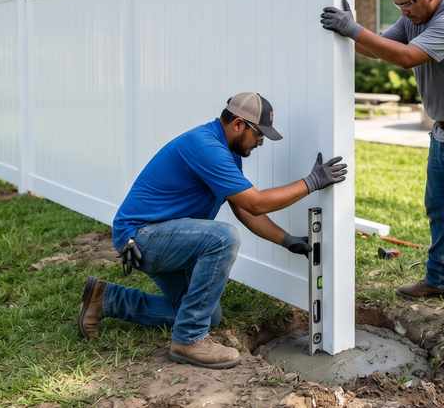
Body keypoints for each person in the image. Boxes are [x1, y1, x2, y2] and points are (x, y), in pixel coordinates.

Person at [76, 92, 347, 369]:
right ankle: (189, 340)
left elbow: (243, 209)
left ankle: (108, 299)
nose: (261, 142)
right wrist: (311, 182)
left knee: (207, 315)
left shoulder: (225, 151)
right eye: (259, 134)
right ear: (239, 125)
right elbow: (255, 203)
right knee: (222, 238)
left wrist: (287, 240)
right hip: (142, 237)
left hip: (161, 235)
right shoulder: (205, 147)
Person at [320, 0, 444, 335]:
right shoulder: (413, 19)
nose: (403, 12)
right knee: (438, 209)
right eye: (398, 6)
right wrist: (353, 31)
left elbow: (405, 58)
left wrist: (353, 29)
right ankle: (441, 279)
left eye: (407, 4)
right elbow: (380, 49)